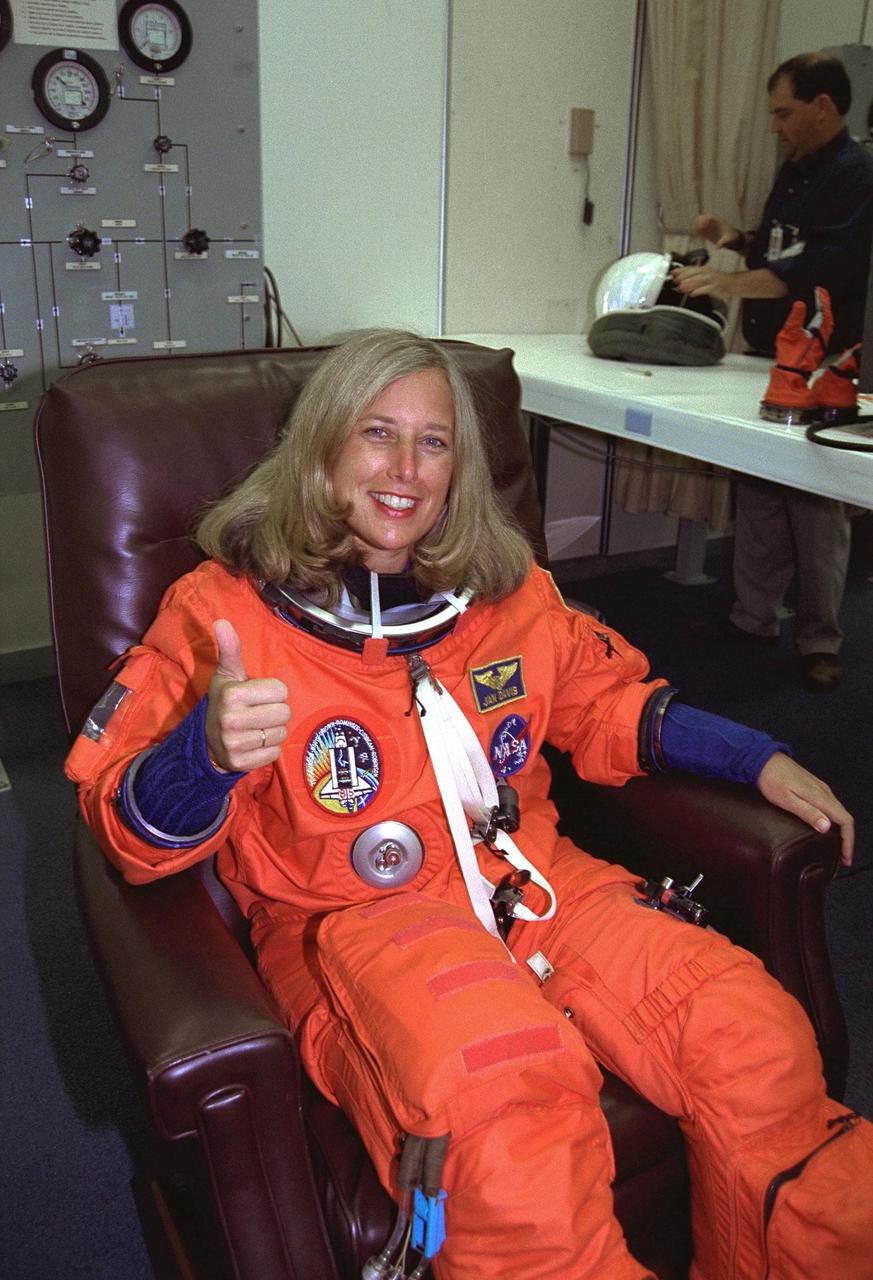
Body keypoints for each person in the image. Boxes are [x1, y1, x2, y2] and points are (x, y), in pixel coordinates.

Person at [65, 330, 873, 1280]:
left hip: (535, 886)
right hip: (354, 925)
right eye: (377, 433)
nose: (406, 468)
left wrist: (752, 758)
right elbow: (122, 830)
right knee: (509, 1127)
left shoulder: (505, 594)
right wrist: (200, 754)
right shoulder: (218, 618)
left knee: (754, 1041)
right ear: (322, 450)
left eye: (435, 442)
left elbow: (600, 696)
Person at [674, 52, 873, 693]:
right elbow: (780, 245)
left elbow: (821, 267)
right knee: (758, 492)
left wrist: (728, 284)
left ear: (823, 106)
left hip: (825, 365)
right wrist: (731, 237)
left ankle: (821, 640)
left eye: (785, 113)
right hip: (770, 360)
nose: (776, 125)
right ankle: (752, 618)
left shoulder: (855, 174)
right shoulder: (796, 168)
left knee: (816, 505)